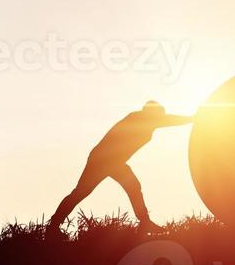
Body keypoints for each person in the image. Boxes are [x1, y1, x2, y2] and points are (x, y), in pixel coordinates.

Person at [46, 101, 193, 236]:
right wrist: (192, 118)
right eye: (160, 115)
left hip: (115, 162)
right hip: (102, 160)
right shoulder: (137, 118)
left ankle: (145, 223)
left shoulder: (147, 121)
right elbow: (169, 120)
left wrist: (191, 118)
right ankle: (53, 226)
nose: (162, 118)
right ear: (151, 113)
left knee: (133, 186)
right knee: (81, 192)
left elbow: (167, 120)